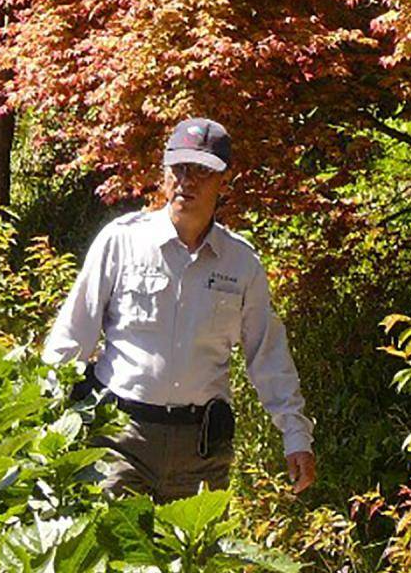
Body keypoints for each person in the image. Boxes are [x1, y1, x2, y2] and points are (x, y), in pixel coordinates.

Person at [43, 118, 316, 502]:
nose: (188, 181)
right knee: (110, 557)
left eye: (202, 171)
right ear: (164, 172)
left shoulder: (241, 264)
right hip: (119, 439)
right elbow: (73, 336)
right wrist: (42, 415)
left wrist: (295, 435)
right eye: (180, 168)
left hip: (201, 450)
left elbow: (268, 356)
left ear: (223, 180)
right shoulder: (121, 242)